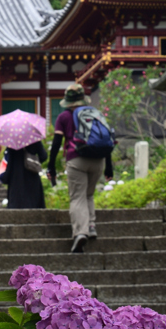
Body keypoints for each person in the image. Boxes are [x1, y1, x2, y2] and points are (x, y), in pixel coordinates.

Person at [47, 84, 114, 253]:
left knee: (77, 197)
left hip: (76, 159)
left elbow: (56, 143)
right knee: (89, 194)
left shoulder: (64, 116)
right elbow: (106, 140)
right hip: (98, 160)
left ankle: (80, 233)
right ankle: (91, 226)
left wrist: (51, 166)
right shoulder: (95, 114)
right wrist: (109, 167)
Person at [0, 142, 47, 209]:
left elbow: (8, 162)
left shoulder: (13, 143)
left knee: (16, 208)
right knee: (34, 206)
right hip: (32, 177)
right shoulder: (34, 140)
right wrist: (33, 160)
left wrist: (5, 178)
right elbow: (44, 156)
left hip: (16, 180)